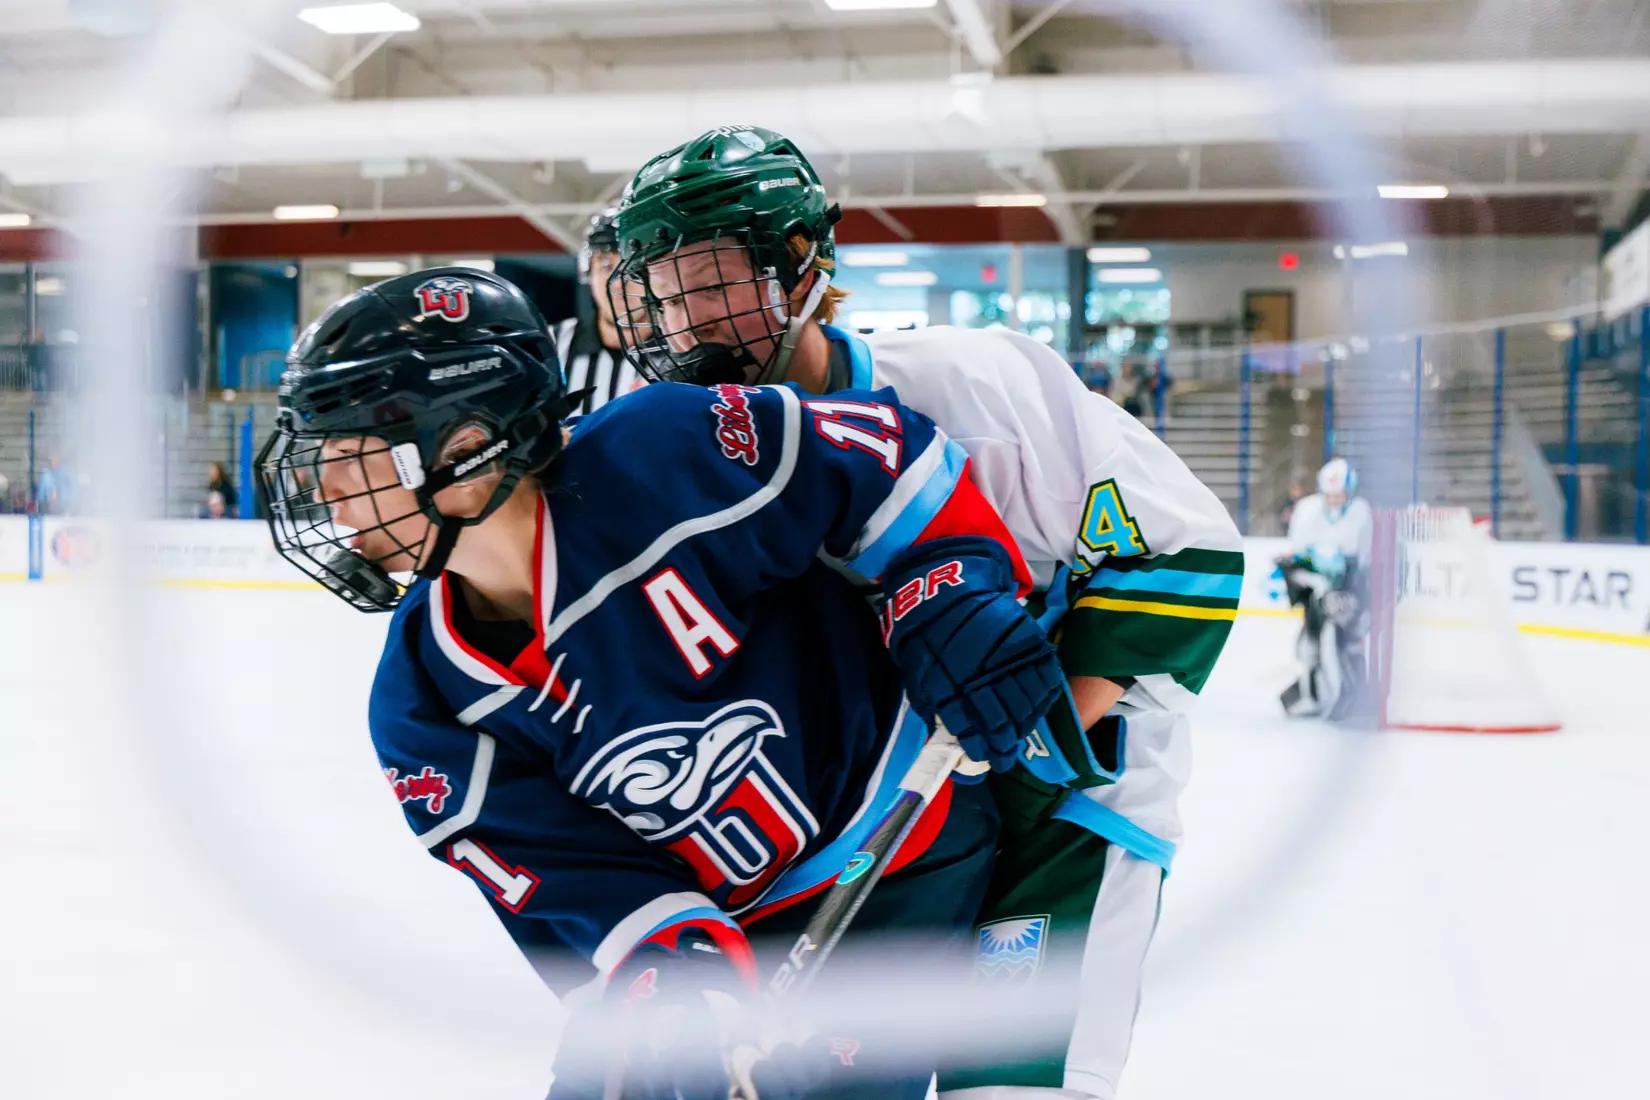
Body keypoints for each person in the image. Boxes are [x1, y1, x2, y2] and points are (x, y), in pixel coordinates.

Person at [255, 267, 1066, 1100]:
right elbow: (570, 877)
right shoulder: (423, 702)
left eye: (351, 455)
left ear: (465, 444)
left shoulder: (665, 454)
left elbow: (884, 460)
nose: (327, 490)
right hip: (720, 927)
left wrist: (945, 594)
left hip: (897, 849)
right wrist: (672, 971)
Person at [609, 126, 1244, 1100]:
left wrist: (1039, 727)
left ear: (800, 264)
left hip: (1059, 822)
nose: (687, 319)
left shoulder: (972, 384)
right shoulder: (688, 458)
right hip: (887, 840)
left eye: (711, 280)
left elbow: (1182, 546)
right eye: (661, 292)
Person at [1278, 457, 1374, 720]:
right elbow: (1296, 557)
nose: (1334, 500)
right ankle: (1313, 694)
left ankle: (1354, 695)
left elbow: (1364, 563)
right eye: (1330, 495)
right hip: (1315, 595)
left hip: (1348, 593)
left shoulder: (1361, 513)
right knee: (1308, 647)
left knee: (1345, 646)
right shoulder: (1308, 511)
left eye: (1340, 495)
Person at [552, 207, 644, 413]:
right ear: (588, 272)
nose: (619, 283)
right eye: (606, 265)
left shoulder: (683, 346)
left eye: (634, 267)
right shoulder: (551, 345)